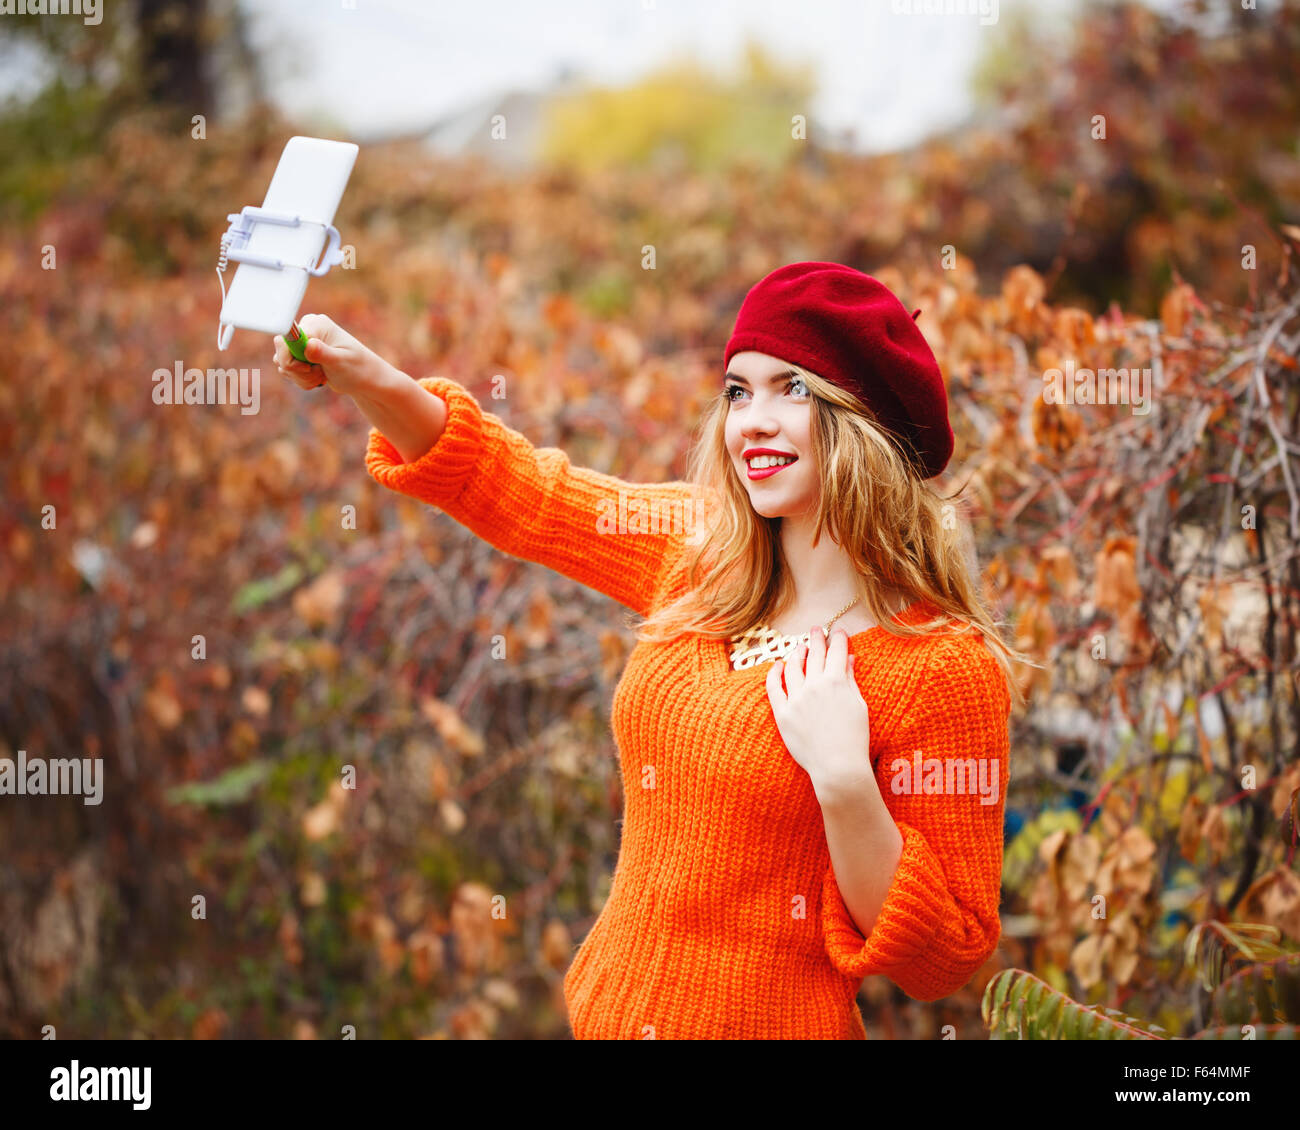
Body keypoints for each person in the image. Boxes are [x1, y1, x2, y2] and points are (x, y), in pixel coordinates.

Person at [273, 260, 1027, 1039]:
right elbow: (520, 488)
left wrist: (843, 782)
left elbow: (944, 959)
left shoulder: (942, 668)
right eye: (738, 391)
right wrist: (362, 374)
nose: (751, 422)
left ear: (864, 421)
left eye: (790, 389)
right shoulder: (701, 552)